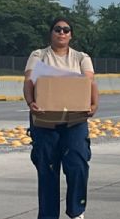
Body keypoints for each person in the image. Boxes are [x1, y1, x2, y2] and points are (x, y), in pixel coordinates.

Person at [23, 17, 100, 219]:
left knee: (77, 162)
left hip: (75, 120)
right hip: (44, 119)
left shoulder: (81, 58)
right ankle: (48, 216)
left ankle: (77, 210)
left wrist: (93, 105)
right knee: (47, 168)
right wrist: (31, 102)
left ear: (71, 35)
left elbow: (90, 82)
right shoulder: (39, 55)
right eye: (58, 29)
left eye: (66, 30)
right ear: (51, 33)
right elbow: (29, 80)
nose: (62, 33)